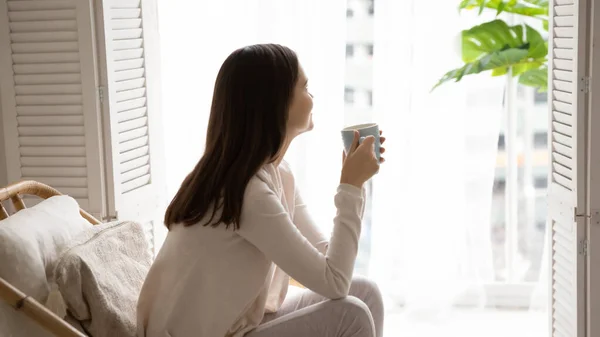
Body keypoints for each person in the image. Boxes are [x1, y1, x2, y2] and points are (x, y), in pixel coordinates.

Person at [137, 44, 386, 337]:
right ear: (276, 104)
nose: (312, 96)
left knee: (365, 292)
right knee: (351, 313)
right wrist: (351, 187)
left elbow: (328, 262)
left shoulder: (277, 174)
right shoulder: (247, 192)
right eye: (304, 88)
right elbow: (334, 282)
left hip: (237, 326)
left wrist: (354, 180)